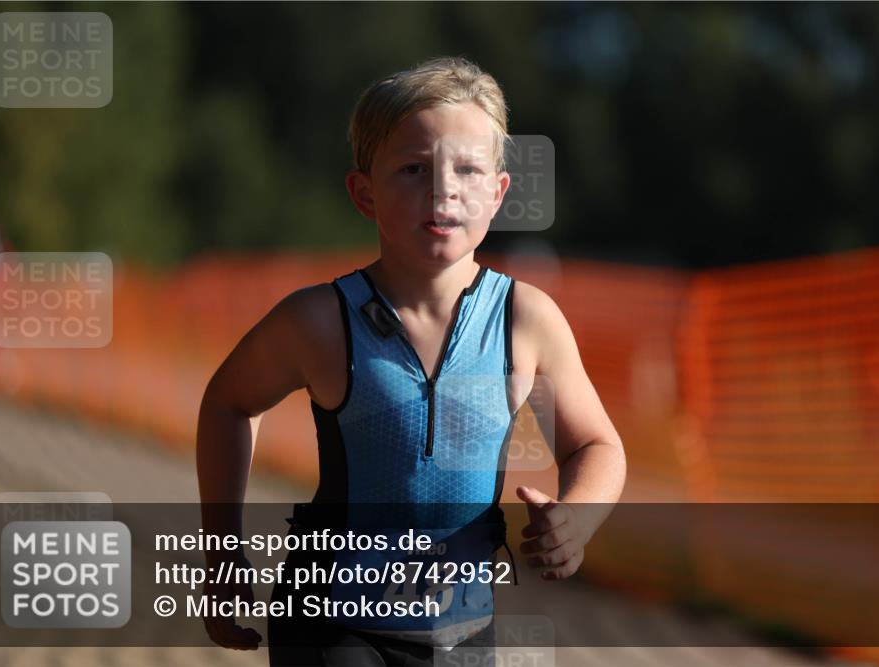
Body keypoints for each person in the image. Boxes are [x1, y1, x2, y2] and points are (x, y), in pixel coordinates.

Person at [196, 56, 625, 666]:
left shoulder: (526, 321)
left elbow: (598, 446)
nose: (443, 189)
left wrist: (577, 518)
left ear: (498, 193)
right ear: (364, 192)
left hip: (464, 631)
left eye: (468, 169)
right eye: (413, 168)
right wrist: (223, 553)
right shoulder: (319, 320)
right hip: (331, 624)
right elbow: (228, 402)